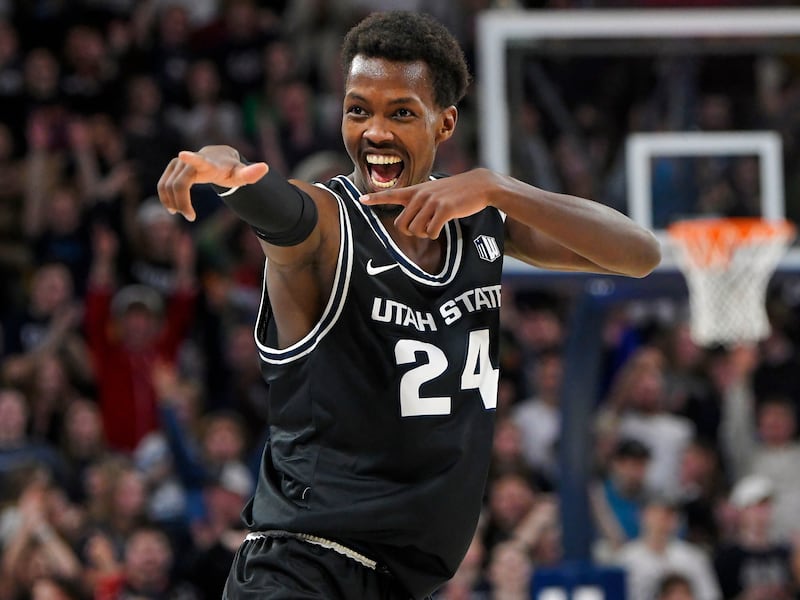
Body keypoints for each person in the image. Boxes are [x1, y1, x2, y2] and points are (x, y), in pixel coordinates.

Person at [156, 11, 660, 600]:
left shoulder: (481, 221)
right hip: (304, 570)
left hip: (392, 584)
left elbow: (638, 253)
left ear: (444, 123)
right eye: (357, 110)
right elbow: (281, 210)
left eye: (400, 113)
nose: (374, 131)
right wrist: (231, 176)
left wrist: (498, 186)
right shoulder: (330, 225)